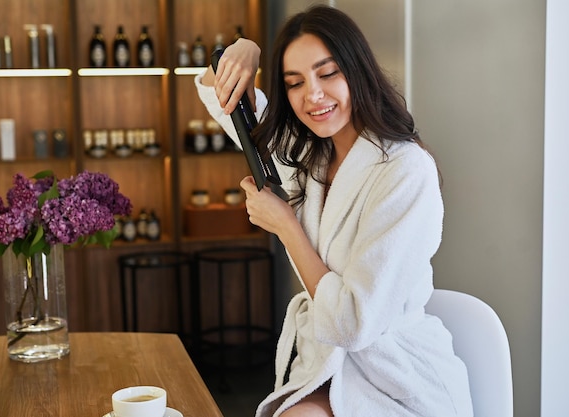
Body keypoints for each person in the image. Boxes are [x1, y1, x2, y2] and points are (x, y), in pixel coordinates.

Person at [195, 5, 473, 417]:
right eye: (294, 82)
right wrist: (245, 50)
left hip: (398, 379)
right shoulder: (308, 156)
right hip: (327, 368)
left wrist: (286, 226)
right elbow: (224, 103)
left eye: (327, 74)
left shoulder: (405, 171)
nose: (313, 95)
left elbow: (354, 324)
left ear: (357, 70)